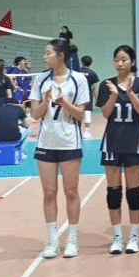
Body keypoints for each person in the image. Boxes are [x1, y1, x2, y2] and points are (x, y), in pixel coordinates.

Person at [30, 39, 90, 259]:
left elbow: (81, 114)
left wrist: (64, 102)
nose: (44, 57)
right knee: (49, 193)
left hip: (69, 142)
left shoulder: (79, 79)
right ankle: (53, 241)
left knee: (71, 191)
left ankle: (72, 239)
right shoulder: (40, 79)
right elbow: (35, 115)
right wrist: (46, 102)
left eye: (48, 53)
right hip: (46, 142)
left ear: (61, 56)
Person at [97, 45, 139, 254]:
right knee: (113, 192)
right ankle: (117, 237)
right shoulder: (106, 84)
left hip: (133, 143)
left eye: (124, 59)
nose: (120, 64)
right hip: (111, 143)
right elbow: (105, 113)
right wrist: (113, 95)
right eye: (117, 60)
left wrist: (129, 93)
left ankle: (134, 236)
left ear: (132, 62)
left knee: (133, 192)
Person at [81, 55, 99, 129]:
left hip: (78, 96)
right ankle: (86, 131)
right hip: (88, 96)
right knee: (87, 113)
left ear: (82, 62)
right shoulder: (93, 74)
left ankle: (78, 130)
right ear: (91, 63)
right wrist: (97, 99)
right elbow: (95, 88)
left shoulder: (77, 72)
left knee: (77, 112)